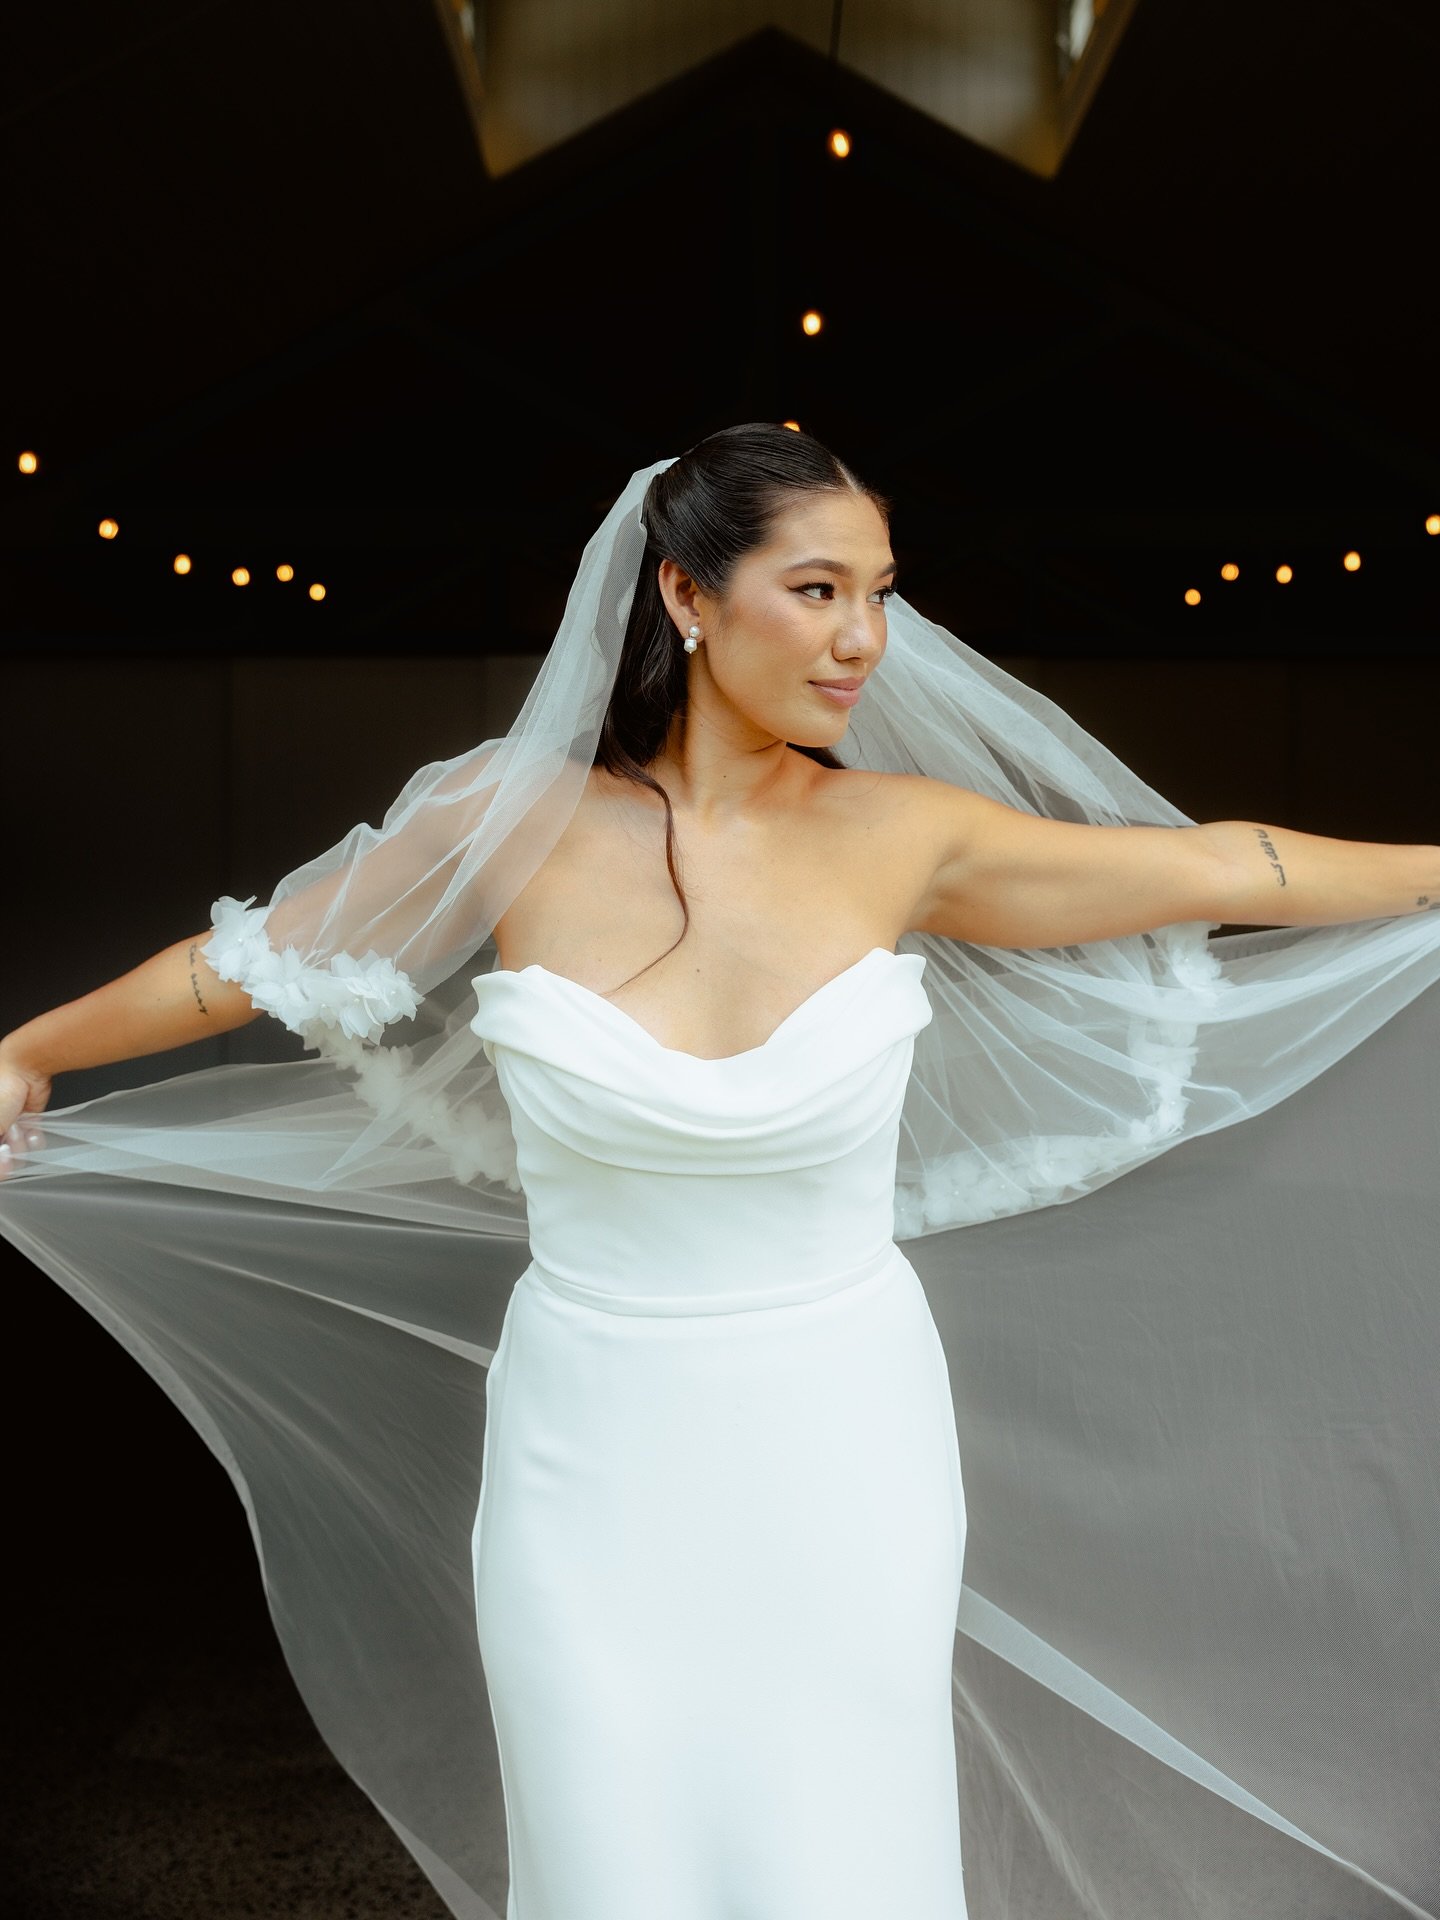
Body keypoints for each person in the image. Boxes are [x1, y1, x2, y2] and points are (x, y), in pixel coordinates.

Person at [2, 423, 1438, 1919]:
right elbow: (245, 967)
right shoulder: (510, 822)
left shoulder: (908, 838)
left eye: (881, 594)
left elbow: (1226, 864)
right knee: (610, 1848)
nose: (863, 639)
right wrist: (30, 1047)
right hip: (587, 1454)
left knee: (841, 1851)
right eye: (818, 591)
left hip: (845, 1441)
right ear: (686, 595)